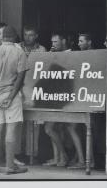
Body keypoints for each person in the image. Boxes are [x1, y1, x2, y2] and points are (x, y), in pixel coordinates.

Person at [0, 25, 28, 175]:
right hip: (12, 96)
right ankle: (10, 166)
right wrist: (10, 98)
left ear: (2, 37)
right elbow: (20, 79)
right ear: (15, 37)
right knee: (11, 129)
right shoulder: (19, 52)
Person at [66, 33, 94, 169]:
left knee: (73, 127)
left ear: (89, 42)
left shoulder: (92, 56)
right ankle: (84, 159)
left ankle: (83, 161)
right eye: (78, 41)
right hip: (83, 97)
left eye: (81, 41)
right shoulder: (82, 55)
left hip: (85, 98)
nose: (78, 43)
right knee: (83, 130)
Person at [19, 26, 46, 164]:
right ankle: (19, 153)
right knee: (19, 122)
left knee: (35, 122)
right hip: (19, 88)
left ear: (36, 36)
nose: (27, 37)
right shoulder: (17, 47)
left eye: (30, 35)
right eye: (25, 34)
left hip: (35, 87)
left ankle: (33, 154)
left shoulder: (41, 50)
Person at [42, 33, 70, 167]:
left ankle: (63, 155)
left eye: (56, 42)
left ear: (63, 41)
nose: (53, 44)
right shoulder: (52, 54)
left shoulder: (70, 54)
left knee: (49, 128)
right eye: (52, 42)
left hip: (63, 97)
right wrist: (48, 56)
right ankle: (57, 158)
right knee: (55, 129)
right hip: (52, 97)